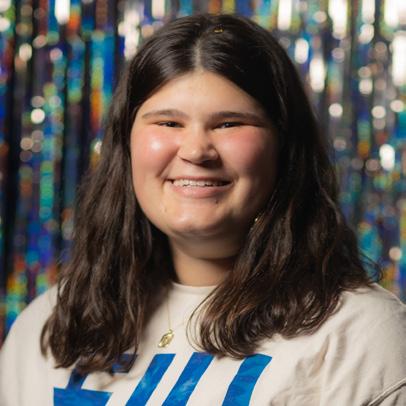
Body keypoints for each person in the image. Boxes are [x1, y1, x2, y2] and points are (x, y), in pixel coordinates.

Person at [1, 13, 405, 406]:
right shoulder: (49, 324)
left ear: (284, 147)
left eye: (229, 123)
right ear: (126, 145)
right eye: (168, 123)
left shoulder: (361, 334)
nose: (196, 151)